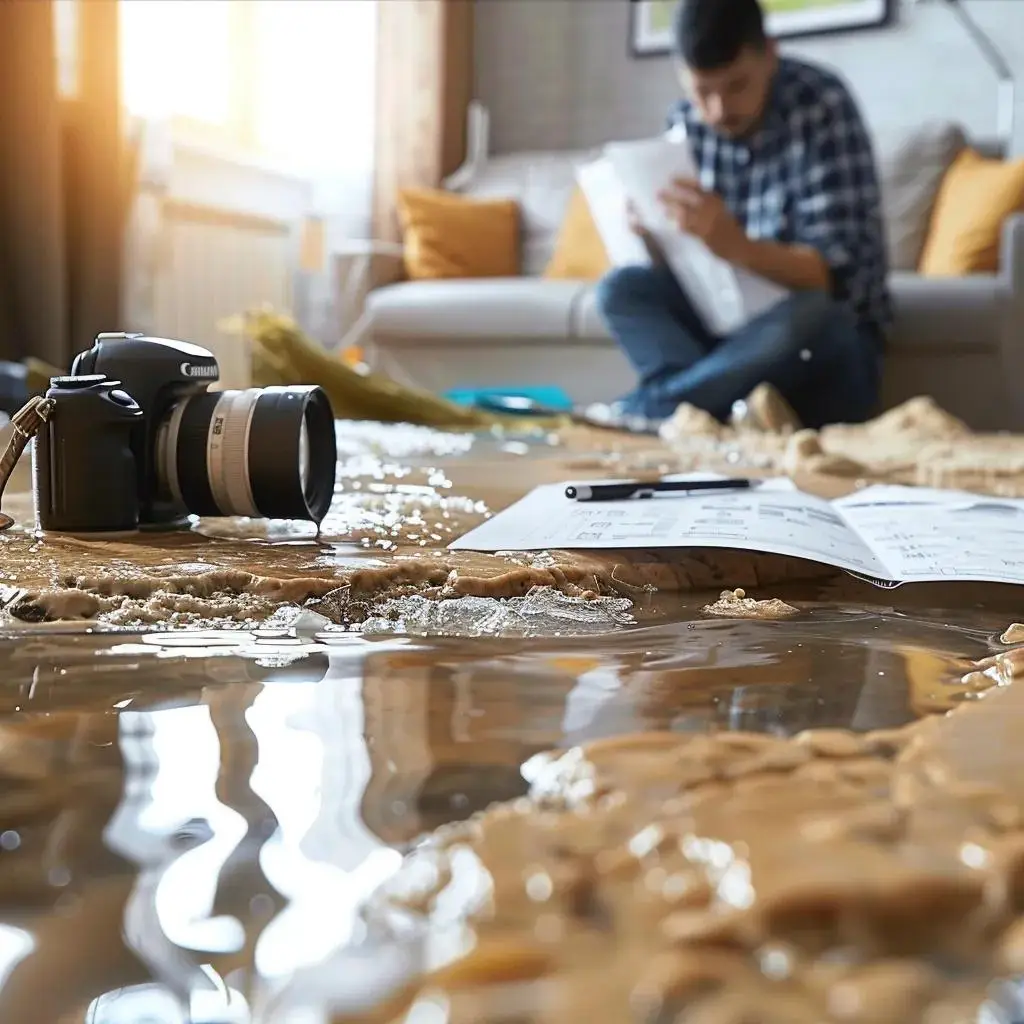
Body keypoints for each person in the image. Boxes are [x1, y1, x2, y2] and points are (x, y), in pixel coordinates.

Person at [595, 0, 891, 428]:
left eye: (736, 86)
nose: (717, 110)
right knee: (622, 289)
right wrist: (654, 237)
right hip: (727, 337)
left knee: (811, 313)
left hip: (821, 344)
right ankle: (709, 406)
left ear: (770, 54)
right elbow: (690, 271)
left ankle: (653, 410)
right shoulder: (685, 122)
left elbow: (831, 279)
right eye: (702, 92)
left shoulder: (820, 105)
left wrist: (735, 246)